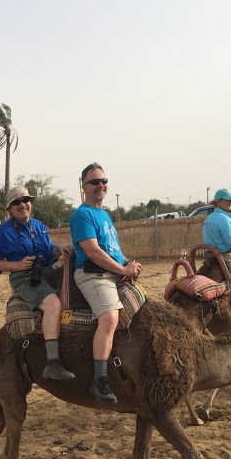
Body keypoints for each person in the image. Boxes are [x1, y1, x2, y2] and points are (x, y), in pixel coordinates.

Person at [69, 163, 141, 405]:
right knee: (110, 318)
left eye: (103, 181)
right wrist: (122, 270)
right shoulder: (82, 215)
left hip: (112, 272)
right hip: (94, 275)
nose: (100, 185)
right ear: (84, 187)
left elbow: (112, 250)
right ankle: (99, 379)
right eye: (95, 182)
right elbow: (93, 251)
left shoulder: (105, 215)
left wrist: (128, 264)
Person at [0, 185, 75, 381]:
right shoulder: (3, 231)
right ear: (10, 208)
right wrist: (18, 265)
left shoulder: (39, 226)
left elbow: (48, 251)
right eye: (16, 202)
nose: (22, 205)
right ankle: (52, 363)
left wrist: (60, 249)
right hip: (24, 277)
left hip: (45, 272)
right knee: (53, 305)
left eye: (25, 200)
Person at [202, 188, 231, 276]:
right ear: (218, 201)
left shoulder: (208, 219)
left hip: (210, 258)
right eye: (228, 200)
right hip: (226, 258)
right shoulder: (226, 220)